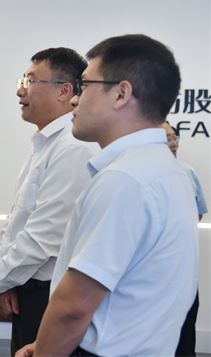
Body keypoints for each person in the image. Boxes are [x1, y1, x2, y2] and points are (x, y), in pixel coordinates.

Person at [16, 34, 199, 357]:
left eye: (85, 86)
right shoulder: (170, 171)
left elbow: (74, 306)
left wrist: (45, 351)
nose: (75, 100)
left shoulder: (123, 179)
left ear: (121, 94)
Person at [0, 48, 99, 355]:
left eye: (30, 81)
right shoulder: (45, 143)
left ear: (64, 91)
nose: (20, 90)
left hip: (49, 294)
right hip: (28, 288)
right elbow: (16, 221)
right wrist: (6, 280)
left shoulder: (74, 147)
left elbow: (45, 235)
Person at [162, 121, 207, 356]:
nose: (173, 144)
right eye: (167, 139)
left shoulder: (188, 173)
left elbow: (198, 213)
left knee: (185, 337)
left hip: (184, 270)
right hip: (155, 276)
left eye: (174, 138)